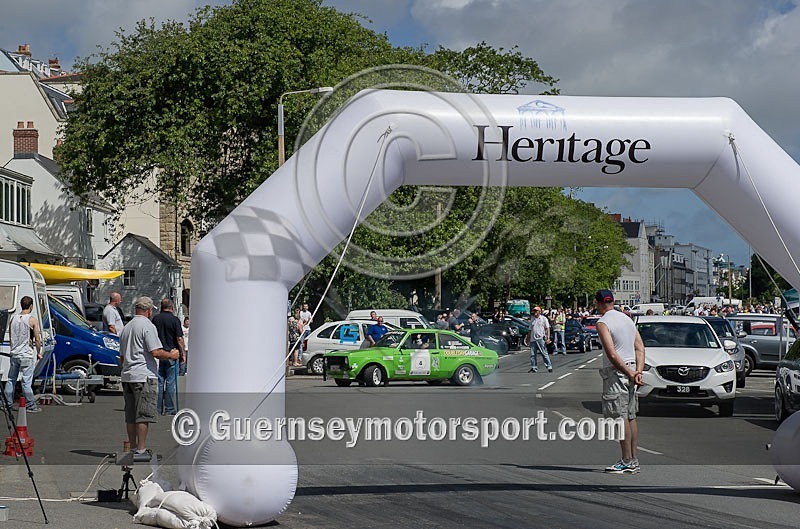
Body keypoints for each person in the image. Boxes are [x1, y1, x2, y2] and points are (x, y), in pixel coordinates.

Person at [594, 289, 645, 474]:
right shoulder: (627, 319)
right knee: (630, 416)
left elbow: (612, 354)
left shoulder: (603, 323)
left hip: (617, 372)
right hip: (631, 368)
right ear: (613, 302)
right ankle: (633, 459)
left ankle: (626, 460)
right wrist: (638, 371)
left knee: (619, 417)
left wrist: (629, 372)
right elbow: (639, 347)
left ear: (598, 303)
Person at [120, 296, 179, 454]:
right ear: (149, 310)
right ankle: (141, 448)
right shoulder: (147, 326)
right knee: (143, 414)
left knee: (130, 415)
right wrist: (172, 355)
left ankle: (133, 446)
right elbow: (155, 352)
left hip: (128, 375)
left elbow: (122, 356)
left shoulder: (127, 327)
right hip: (143, 375)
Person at [3, 296, 43, 413]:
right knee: (26, 382)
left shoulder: (13, 319)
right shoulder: (32, 320)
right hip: (26, 354)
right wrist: (39, 352)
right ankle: (31, 405)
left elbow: (11, 337)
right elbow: (37, 339)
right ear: (31, 306)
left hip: (14, 354)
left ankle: (7, 404)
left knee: (11, 380)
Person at [152, 298, 185, 415]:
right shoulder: (175, 320)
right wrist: (183, 353)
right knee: (171, 383)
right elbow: (179, 338)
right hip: (172, 353)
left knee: (159, 383)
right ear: (172, 307)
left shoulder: (155, 319)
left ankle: (158, 408)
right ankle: (169, 408)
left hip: (159, 353)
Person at [528, 306, 552, 373]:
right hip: (533, 339)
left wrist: (548, 338)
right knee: (533, 355)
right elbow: (530, 329)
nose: (535, 312)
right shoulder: (532, 319)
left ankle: (549, 366)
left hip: (540, 339)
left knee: (544, 353)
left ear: (539, 311)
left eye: (536, 311)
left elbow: (547, 328)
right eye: (534, 311)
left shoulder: (543, 319)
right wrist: (528, 338)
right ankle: (534, 367)